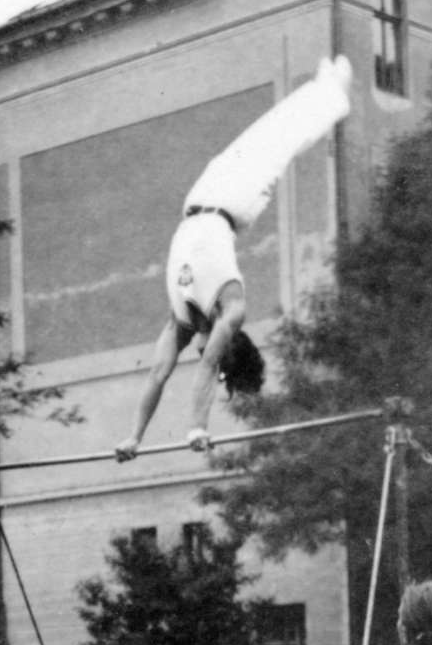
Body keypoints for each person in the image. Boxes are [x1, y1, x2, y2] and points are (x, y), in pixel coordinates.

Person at [114, 55, 353, 460]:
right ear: (228, 350)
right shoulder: (232, 312)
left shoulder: (180, 324)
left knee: (267, 137)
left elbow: (158, 373)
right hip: (235, 202)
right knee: (276, 141)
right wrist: (197, 427)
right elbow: (208, 368)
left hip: (200, 198)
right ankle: (333, 93)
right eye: (224, 365)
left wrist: (133, 438)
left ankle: (326, 88)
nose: (201, 355)